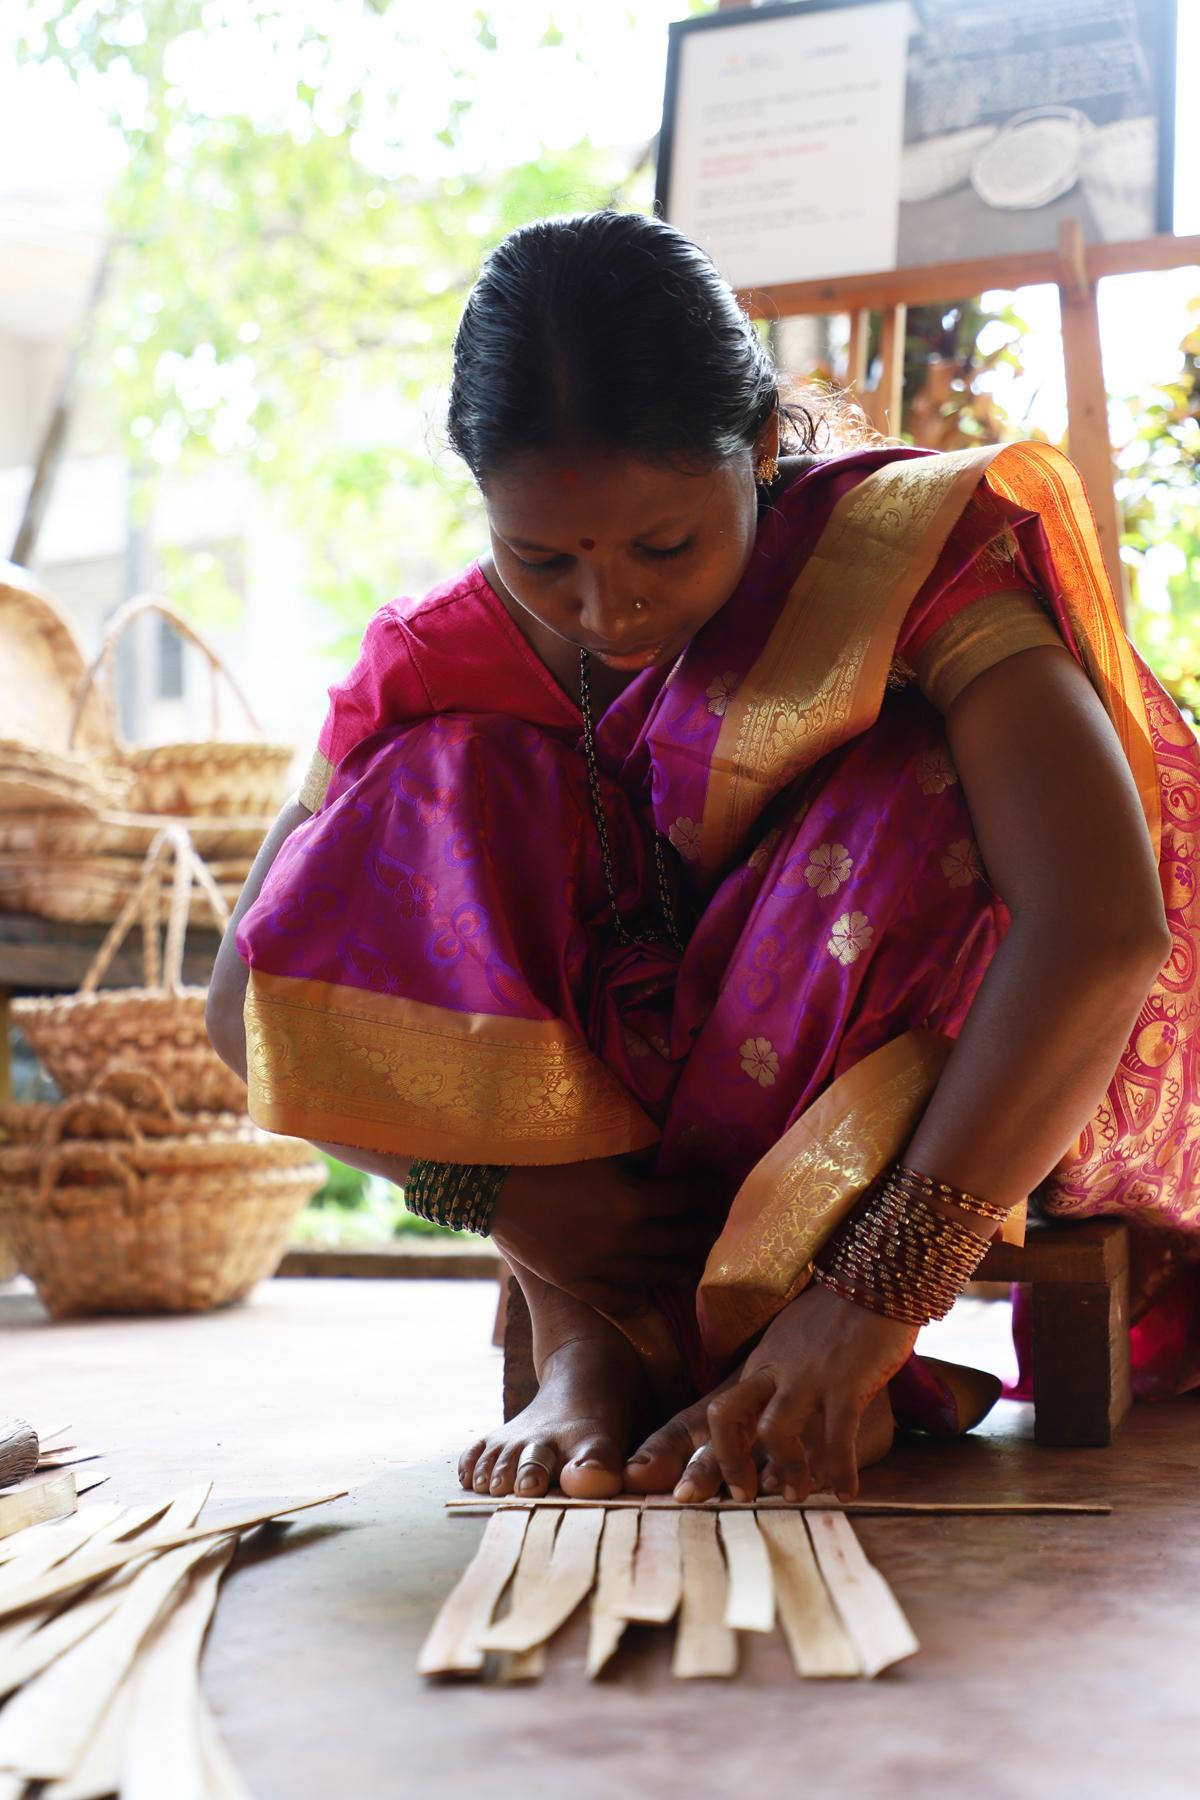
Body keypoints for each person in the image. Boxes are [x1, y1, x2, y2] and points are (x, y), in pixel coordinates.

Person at [207, 210, 1196, 1510]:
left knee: (918, 785)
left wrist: (872, 1301)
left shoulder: (899, 548)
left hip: (911, 1062)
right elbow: (247, 1000)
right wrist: (501, 1197)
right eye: (541, 558)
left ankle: (817, 1348)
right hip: (633, 1127)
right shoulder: (446, 653)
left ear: (767, 446)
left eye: (664, 548)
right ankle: (598, 1347)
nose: (605, 611)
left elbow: (1103, 922)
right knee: (423, 785)